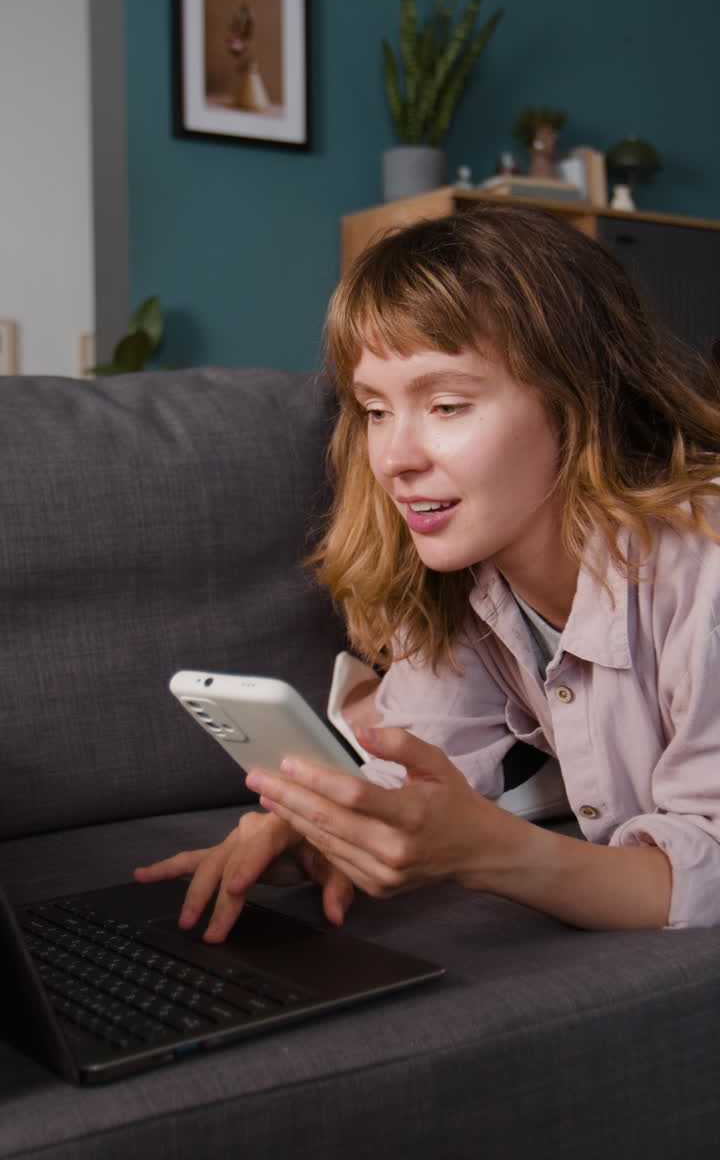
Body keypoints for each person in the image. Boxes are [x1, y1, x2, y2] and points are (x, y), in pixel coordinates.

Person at [135, 203, 720, 939]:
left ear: (579, 404)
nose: (395, 459)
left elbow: (711, 874)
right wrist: (322, 828)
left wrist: (496, 853)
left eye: (446, 404)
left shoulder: (704, 569)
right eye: (376, 410)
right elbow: (420, 758)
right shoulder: (467, 571)